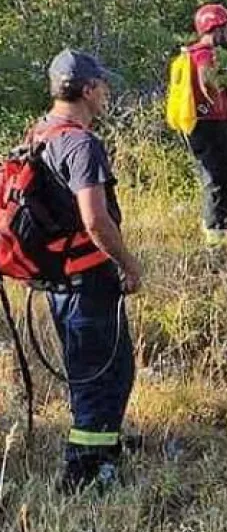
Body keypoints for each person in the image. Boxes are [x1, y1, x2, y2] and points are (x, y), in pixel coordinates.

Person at [35, 49, 141, 491]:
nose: (107, 94)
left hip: (63, 277)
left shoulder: (42, 133)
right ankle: (86, 473)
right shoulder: (82, 144)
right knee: (101, 373)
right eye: (104, 86)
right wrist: (128, 263)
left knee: (102, 367)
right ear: (89, 89)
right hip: (88, 277)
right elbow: (95, 220)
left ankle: (104, 446)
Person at [188, 3, 227, 243]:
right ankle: (217, 242)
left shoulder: (206, 53)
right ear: (214, 29)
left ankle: (222, 233)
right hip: (209, 127)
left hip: (212, 125)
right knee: (217, 183)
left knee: (223, 181)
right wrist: (225, 83)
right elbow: (208, 83)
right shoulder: (204, 53)